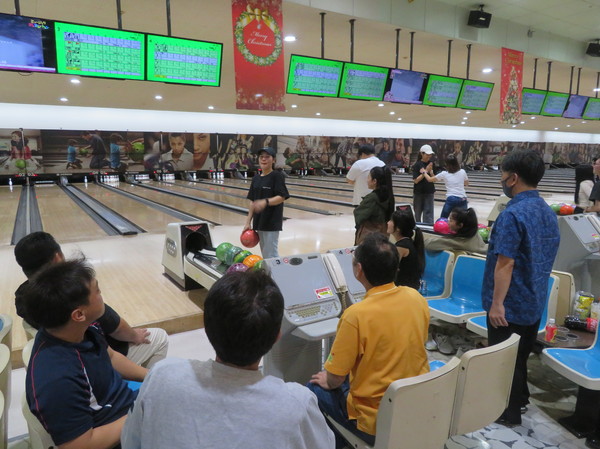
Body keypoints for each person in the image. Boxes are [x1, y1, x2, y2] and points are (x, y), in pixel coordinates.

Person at [121, 270, 335, 449]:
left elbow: (130, 442)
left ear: (206, 328)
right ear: (277, 337)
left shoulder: (161, 375)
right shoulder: (297, 403)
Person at [308, 233, 430, 448]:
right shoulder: (416, 298)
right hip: (414, 403)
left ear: (359, 270)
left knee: (313, 389)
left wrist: (328, 380)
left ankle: (343, 442)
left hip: (376, 420)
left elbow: (335, 379)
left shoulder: (356, 315)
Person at [25, 259, 147, 449]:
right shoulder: (56, 379)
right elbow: (79, 444)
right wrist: (142, 410)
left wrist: (152, 377)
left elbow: (111, 357)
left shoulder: (79, 328)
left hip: (126, 408)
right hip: (117, 435)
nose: (101, 294)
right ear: (78, 314)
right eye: (97, 291)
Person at [482, 149, 560, 427]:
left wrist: (497, 304)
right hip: (534, 299)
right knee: (521, 356)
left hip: (509, 304)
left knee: (504, 360)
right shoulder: (547, 212)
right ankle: (522, 398)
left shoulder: (512, 214)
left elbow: (505, 264)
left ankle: (508, 412)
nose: (501, 179)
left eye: (503, 174)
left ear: (513, 178)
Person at [14, 232, 168, 368]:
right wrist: (134, 335)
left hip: (66, 356)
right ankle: (149, 384)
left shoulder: (23, 297)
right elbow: (117, 328)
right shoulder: (73, 294)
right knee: (159, 337)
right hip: (94, 360)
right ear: (57, 257)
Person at [244, 147, 290, 259]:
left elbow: (282, 196)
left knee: (271, 255)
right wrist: (248, 222)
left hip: (271, 222)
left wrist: (265, 202)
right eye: (261, 157)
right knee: (266, 254)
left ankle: (276, 271)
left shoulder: (277, 176)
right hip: (259, 222)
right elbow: (252, 202)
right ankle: (269, 270)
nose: (264, 159)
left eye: (267, 157)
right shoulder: (256, 178)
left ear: (273, 160)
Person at [353, 166, 395, 245]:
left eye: (368, 177)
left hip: (370, 237)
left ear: (374, 181)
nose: (367, 180)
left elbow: (359, 216)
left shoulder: (372, 198)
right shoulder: (389, 196)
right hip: (384, 235)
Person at [387, 208, 425, 289]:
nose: (388, 223)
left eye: (391, 221)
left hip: (405, 289)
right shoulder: (407, 242)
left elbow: (390, 269)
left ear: (398, 228)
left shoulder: (402, 246)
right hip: (408, 287)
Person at [422, 154, 469, 218]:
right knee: (463, 219)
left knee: (443, 219)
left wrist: (424, 172)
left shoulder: (444, 174)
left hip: (451, 199)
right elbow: (466, 183)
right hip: (463, 198)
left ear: (447, 164)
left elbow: (430, 179)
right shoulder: (462, 172)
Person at [412, 144, 436, 223]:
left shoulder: (431, 164)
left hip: (429, 191)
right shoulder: (417, 165)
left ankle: (428, 228)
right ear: (422, 154)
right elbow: (416, 180)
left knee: (428, 214)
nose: (429, 156)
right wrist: (425, 171)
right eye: (427, 154)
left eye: (430, 154)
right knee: (417, 213)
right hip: (418, 192)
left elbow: (434, 179)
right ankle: (418, 227)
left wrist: (431, 172)